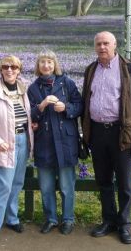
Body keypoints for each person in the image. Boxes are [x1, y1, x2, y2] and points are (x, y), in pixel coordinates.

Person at [82, 31, 131, 244]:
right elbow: (85, 101)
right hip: (98, 133)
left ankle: (125, 224)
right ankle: (109, 220)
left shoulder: (129, 68)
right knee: (103, 180)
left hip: (122, 134)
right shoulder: (91, 70)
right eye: (99, 43)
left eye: (106, 43)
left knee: (124, 183)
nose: (102, 47)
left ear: (114, 45)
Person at [0, 55, 34, 246]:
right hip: (5, 145)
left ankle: (12, 219)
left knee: (17, 184)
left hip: (23, 142)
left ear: (19, 70)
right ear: (0, 70)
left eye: (13, 67)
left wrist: (31, 126)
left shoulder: (24, 91)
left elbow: (25, 116)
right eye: (5, 67)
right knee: (4, 187)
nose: (9, 70)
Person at [27, 50, 83, 235]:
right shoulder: (33, 88)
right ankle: (50, 219)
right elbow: (30, 116)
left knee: (67, 186)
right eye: (42, 62)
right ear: (38, 66)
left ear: (54, 64)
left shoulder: (67, 83)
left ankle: (68, 219)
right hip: (44, 143)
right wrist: (41, 105)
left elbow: (80, 106)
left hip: (66, 143)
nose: (46, 65)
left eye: (49, 62)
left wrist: (66, 107)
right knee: (46, 187)